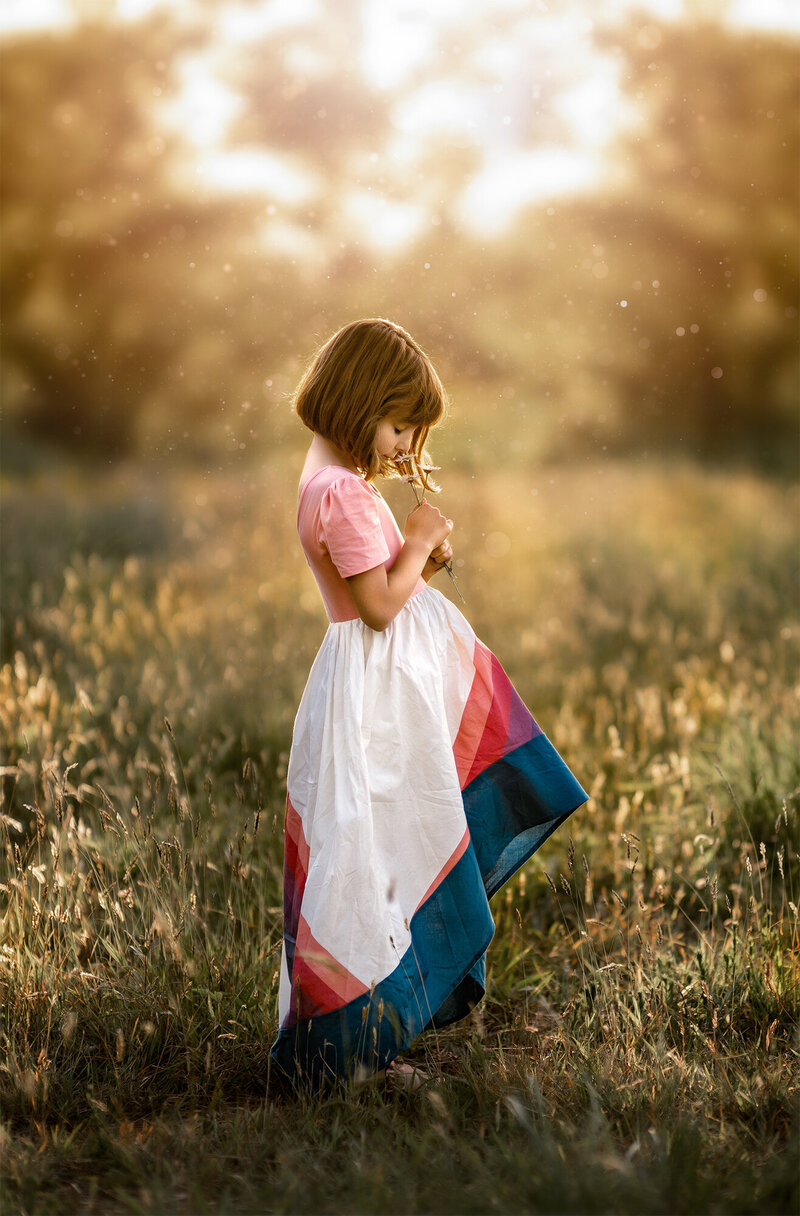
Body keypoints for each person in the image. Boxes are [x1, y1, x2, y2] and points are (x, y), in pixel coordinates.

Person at [270, 318, 587, 1088]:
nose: (406, 445)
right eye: (400, 424)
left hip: (376, 693)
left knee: (384, 852)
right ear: (358, 401)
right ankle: (349, 1052)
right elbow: (377, 606)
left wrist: (416, 555)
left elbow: (380, 587)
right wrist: (415, 541)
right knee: (371, 858)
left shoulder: (331, 481)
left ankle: (374, 1035)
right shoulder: (342, 493)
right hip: (372, 701)